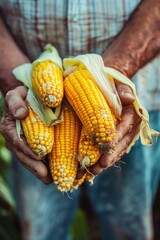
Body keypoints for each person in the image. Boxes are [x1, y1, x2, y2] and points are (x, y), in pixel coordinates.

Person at [0, 0, 160, 239]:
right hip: (27, 98)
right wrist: (15, 81)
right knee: (40, 231)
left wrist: (117, 70)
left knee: (129, 226)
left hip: (133, 95)